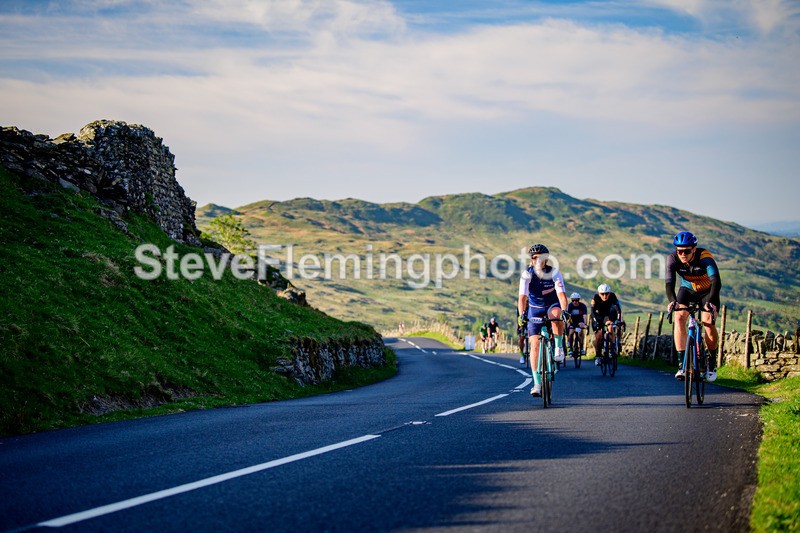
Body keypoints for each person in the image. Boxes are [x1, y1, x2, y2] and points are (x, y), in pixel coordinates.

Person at [666, 231, 721, 382]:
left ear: (694, 249)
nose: (683, 254)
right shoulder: (672, 259)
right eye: (680, 251)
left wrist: (711, 301)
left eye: (687, 251)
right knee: (679, 317)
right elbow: (669, 283)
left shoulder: (705, 257)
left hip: (708, 292)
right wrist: (672, 301)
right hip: (688, 290)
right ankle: (682, 365)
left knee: (708, 322)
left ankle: (711, 362)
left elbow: (716, 281)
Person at [517, 244, 569, 397]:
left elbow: (561, 295)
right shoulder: (527, 274)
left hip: (552, 305)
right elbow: (522, 297)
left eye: (540, 257)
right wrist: (522, 314)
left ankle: (558, 347)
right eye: (534, 258)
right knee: (534, 345)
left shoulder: (554, 273)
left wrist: (565, 311)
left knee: (556, 315)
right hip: (535, 308)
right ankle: (537, 383)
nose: (537, 260)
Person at [591, 284, 623, 365]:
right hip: (598, 316)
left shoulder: (612, 296)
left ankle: (612, 347)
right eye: (602, 294)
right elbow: (593, 312)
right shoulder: (595, 298)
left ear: (609, 293)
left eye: (607, 293)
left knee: (611, 327)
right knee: (599, 336)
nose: (605, 296)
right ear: (599, 293)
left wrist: (618, 320)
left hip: (609, 315)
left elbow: (618, 309)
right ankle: (598, 356)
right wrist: (597, 322)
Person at [566, 292, 588, 357]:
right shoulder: (570, 306)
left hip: (580, 320)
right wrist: (568, 324)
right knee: (571, 333)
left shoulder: (582, 306)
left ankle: (581, 347)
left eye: (576, 300)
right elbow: (569, 316)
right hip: (572, 321)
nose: (575, 302)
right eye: (573, 300)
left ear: (579, 300)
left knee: (580, 333)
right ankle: (570, 348)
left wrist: (585, 324)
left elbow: (584, 315)